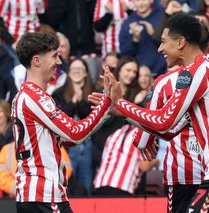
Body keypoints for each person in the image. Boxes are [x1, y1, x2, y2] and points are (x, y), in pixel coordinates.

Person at [103, 13, 209, 212]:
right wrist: (125, 114)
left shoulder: (198, 72)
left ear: (181, 42)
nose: (160, 49)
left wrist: (120, 103)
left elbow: (163, 121)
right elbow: (169, 129)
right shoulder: (201, 71)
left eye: (163, 42)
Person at [12, 32, 117, 213]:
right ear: (37, 61)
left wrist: (104, 112)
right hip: (44, 196)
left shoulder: (25, 96)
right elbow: (75, 134)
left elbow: (66, 139)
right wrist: (106, 103)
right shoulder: (35, 97)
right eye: (54, 56)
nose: (59, 63)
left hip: (34, 195)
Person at [53, 57, 95, 195]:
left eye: (80, 69)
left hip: (88, 143)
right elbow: (59, 118)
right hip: (65, 145)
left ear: (86, 73)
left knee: (86, 180)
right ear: (69, 72)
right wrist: (72, 102)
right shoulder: (58, 93)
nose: (77, 72)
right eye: (74, 69)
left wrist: (81, 100)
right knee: (68, 182)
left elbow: (92, 118)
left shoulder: (94, 92)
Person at [93, 123, 159, 196]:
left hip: (99, 186)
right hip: (122, 187)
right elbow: (144, 165)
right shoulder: (141, 135)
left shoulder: (114, 134)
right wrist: (156, 162)